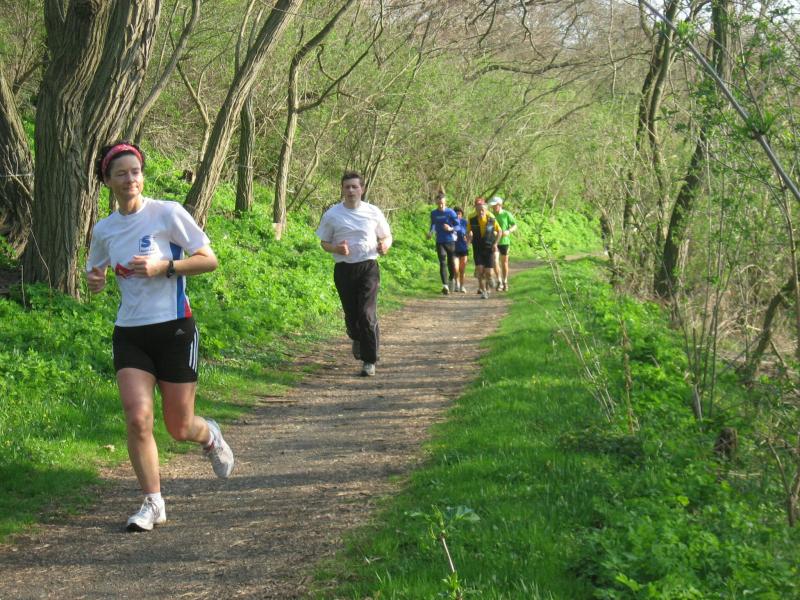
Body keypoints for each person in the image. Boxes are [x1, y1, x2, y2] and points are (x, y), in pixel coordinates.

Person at [86, 141, 234, 533]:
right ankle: (153, 502)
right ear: (107, 180)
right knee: (138, 418)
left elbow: (209, 259)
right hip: (130, 333)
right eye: (121, 173)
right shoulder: (104, 229)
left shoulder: (167, 213)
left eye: (135, 172)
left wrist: (164, 266)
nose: (130, 179)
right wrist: (96, 280)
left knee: (179, 427)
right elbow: (96, 270)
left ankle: (210, 436)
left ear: (142, 175)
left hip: (175, 329)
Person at [316, 171, 393, 376]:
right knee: (352, 316)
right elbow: (324, 242)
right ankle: (357, 337)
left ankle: (369, 361)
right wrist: (336, 249)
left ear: (362, 189)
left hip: (368, 267)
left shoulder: (373, 212)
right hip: (344, 269)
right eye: (347, 187)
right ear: (342, 189)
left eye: (354, 187)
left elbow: (387, 236)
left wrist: (385, 245)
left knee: (367, 314)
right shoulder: (332, 214)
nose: (351, 190)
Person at [467, 197, 501, 299]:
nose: (480, 212)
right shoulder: (471, 218)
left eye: (482, 209)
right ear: (475, 209)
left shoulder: (491, 218)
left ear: (486, 209)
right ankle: (484, 291)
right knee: (480, 270)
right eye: (478, 209)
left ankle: (490, 280)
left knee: (488, 272)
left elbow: (499, 231)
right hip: (477, 247)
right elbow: (468, 231)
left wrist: (495, 244)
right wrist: (468, 240)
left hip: (489, 247)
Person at [427, 191, 459, 294]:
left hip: (450, 240)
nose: (440, 205)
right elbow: (433, 225)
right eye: (439, 203)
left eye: (442, 203)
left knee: (451, 263)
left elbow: (458, 226)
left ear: (445, 203)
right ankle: (445, 286)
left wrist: (450, 228)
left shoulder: (451, 212)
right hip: (439, 241)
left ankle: (451, 278)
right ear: (436, 203)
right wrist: (430, 232)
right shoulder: (434, 213)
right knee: (442, 261)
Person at [489, 196, 518, 291]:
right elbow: (489, 227)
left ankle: (505, 281)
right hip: (494, 242)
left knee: (504, 262)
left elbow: (514, 225)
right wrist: (492, 232)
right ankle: (499, 281)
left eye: (495, 205)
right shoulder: (491, 215)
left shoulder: (506, 214)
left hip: (505, 241)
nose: (493, 207)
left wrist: (508, 231)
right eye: (492, 205)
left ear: (499, 205)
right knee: (495, 261)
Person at [453, 206, 469, 293]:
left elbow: (470, 233)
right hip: (454, 248)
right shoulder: (450, 222)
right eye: (456, 214)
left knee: (462, 269)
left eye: (459, 214)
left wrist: (468, 240)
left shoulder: (465, 222)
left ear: (462, 214)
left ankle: (462, 286)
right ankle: (456, 284)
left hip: (463, 248)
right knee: (456, 268)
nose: (457, 215)